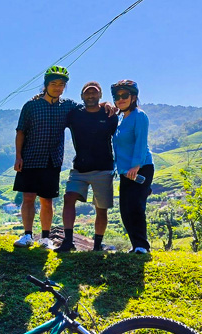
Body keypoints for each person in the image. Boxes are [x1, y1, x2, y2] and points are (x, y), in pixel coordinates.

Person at [13, 66, 114, 248]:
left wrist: (106, 103)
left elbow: (89, 105)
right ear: (45, 85)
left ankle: (44, 238)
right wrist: (18, 156)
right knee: (28, 197)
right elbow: (21, 131)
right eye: (54, 84)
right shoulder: (31, 106)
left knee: (47, 200)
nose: (58, 88)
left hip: (52, 160)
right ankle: (27, 235)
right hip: (30, 158)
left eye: (61, 85)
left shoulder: (68, 106)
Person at [54, 81, 117, 253]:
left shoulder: (110, 115)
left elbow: (119, 140)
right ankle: (68, 242)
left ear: (100, 95)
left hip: (103, 168)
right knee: (68, 198)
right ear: (82, 96)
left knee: (101, 208)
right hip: (79, 169)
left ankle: (97, 246)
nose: (91, 96)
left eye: (94, 93)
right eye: (87, 93)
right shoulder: (74, 115)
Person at [111, 79, 154, 254]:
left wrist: (135, 165)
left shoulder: (139, 116)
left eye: (124, 95)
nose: (120, 99)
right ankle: (135, 244)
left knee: (136, 206)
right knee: (125, 209)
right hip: (124, 171)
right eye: (117, 96)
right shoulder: (120, 120)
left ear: (133, 97)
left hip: (141, 167)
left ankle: (142, 246)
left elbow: (141, 142)